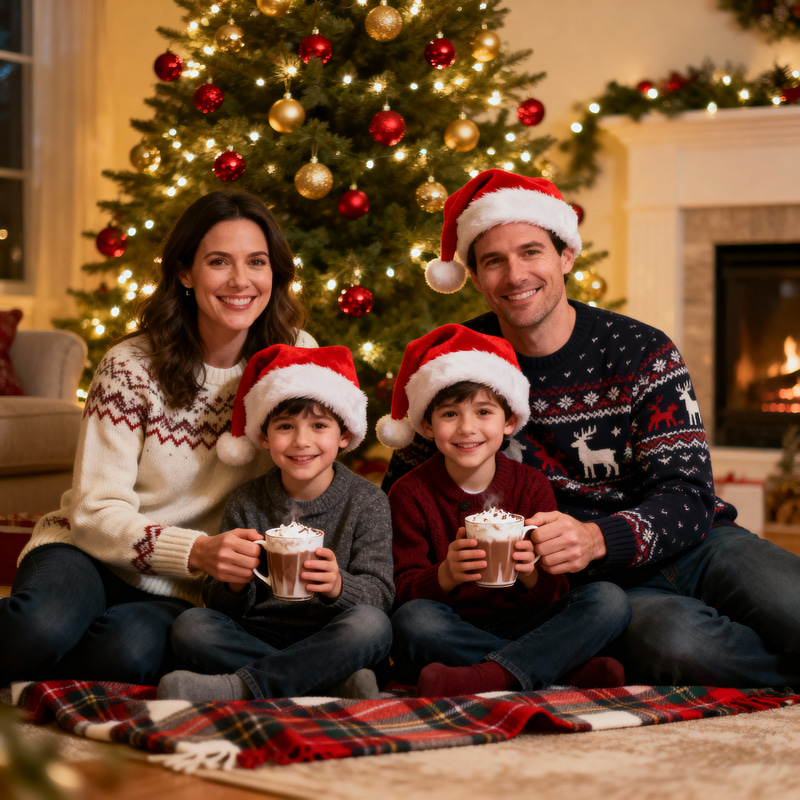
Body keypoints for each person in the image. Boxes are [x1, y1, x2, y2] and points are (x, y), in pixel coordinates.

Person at [383, 169, 800, 689]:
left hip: (701, 545)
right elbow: (402, 499)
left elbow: (689, 494)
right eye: (494, 260)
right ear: (475, 275)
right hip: (599, 591)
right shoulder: (458, 366)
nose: (515, 276)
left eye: (532, 252)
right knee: (678, 647)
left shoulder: (642, 350)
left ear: (566, 257)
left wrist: (599, 536)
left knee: (791, 604)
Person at [0, 190, 314, 686]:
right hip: (87, 551)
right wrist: (195, 550)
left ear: (274, 272)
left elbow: (314, 473)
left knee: (123, 659)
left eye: (257, 261)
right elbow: (94, 511)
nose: (240, 281)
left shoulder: (297, 358)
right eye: (218, 262)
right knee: (37, 631)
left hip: (183, 589)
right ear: (185, 273)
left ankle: (52, 661)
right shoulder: (131, 366)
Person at [378, 323, 631, 697]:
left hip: (528, 623)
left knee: (609, 600)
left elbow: (555, 591)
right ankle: (560, 668)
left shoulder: (531, 485)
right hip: (452, 626)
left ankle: (489, 676)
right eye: (449, 415)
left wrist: (531, 573)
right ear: (427, 426)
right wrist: (445, 574)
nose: (467, 428)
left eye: (483, 412)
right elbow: (400, 592)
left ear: (509, 421)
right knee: (414, 623)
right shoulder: (410, 493)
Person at [157, 344, 395, 701]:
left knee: (372, 626)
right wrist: (233, 585)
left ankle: (238, 687)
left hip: (332, 634)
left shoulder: (367, 501)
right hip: (257, 633)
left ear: (344, 435)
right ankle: (328, 683)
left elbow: (380, 595)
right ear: (264, 437)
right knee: (193, 626)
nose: (302, 441)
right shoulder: (246, 500)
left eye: (319, 426)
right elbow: (219, 601)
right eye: (286, 426)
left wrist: (338, 586)